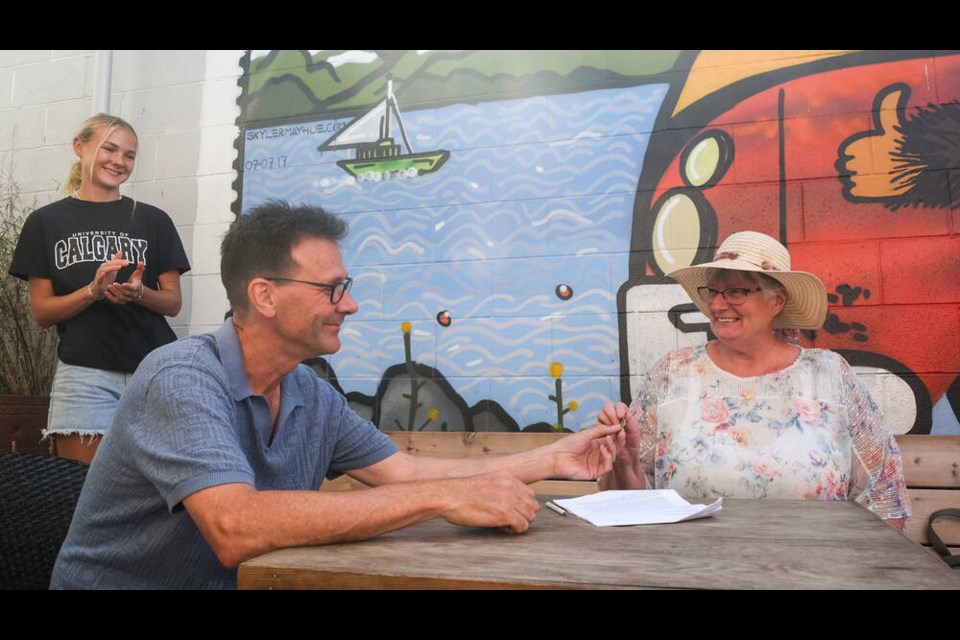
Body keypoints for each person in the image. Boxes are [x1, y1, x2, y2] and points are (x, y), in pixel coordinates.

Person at [50, 199, 623, 590]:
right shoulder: (179, 378)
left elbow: (401, 472)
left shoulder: (307, 391)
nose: (348, 304)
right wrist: (441, 502)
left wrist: (550, 458)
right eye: (333, 288)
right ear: (265, 296)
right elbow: (236, 528)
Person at [596, 230, 911, 530]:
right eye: (713, 291)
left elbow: (886, 497)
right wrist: (623, 462)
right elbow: (634, 501)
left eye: (736, 291)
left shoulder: (828, 375)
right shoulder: (672, 374)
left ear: (777, 301)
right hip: (691, 569)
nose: (718, 305)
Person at [8, 113, 191, 464]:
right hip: (84, 377)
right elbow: (42, 313)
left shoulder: (153, 220)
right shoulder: (45, 223)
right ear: (80, 147)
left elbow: (172, 303)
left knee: (155, 492)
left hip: (153, 371)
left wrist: (140, 294)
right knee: (82, 494)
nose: (119, 161)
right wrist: (92, 291)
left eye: (129, 155)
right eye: (109, 149)